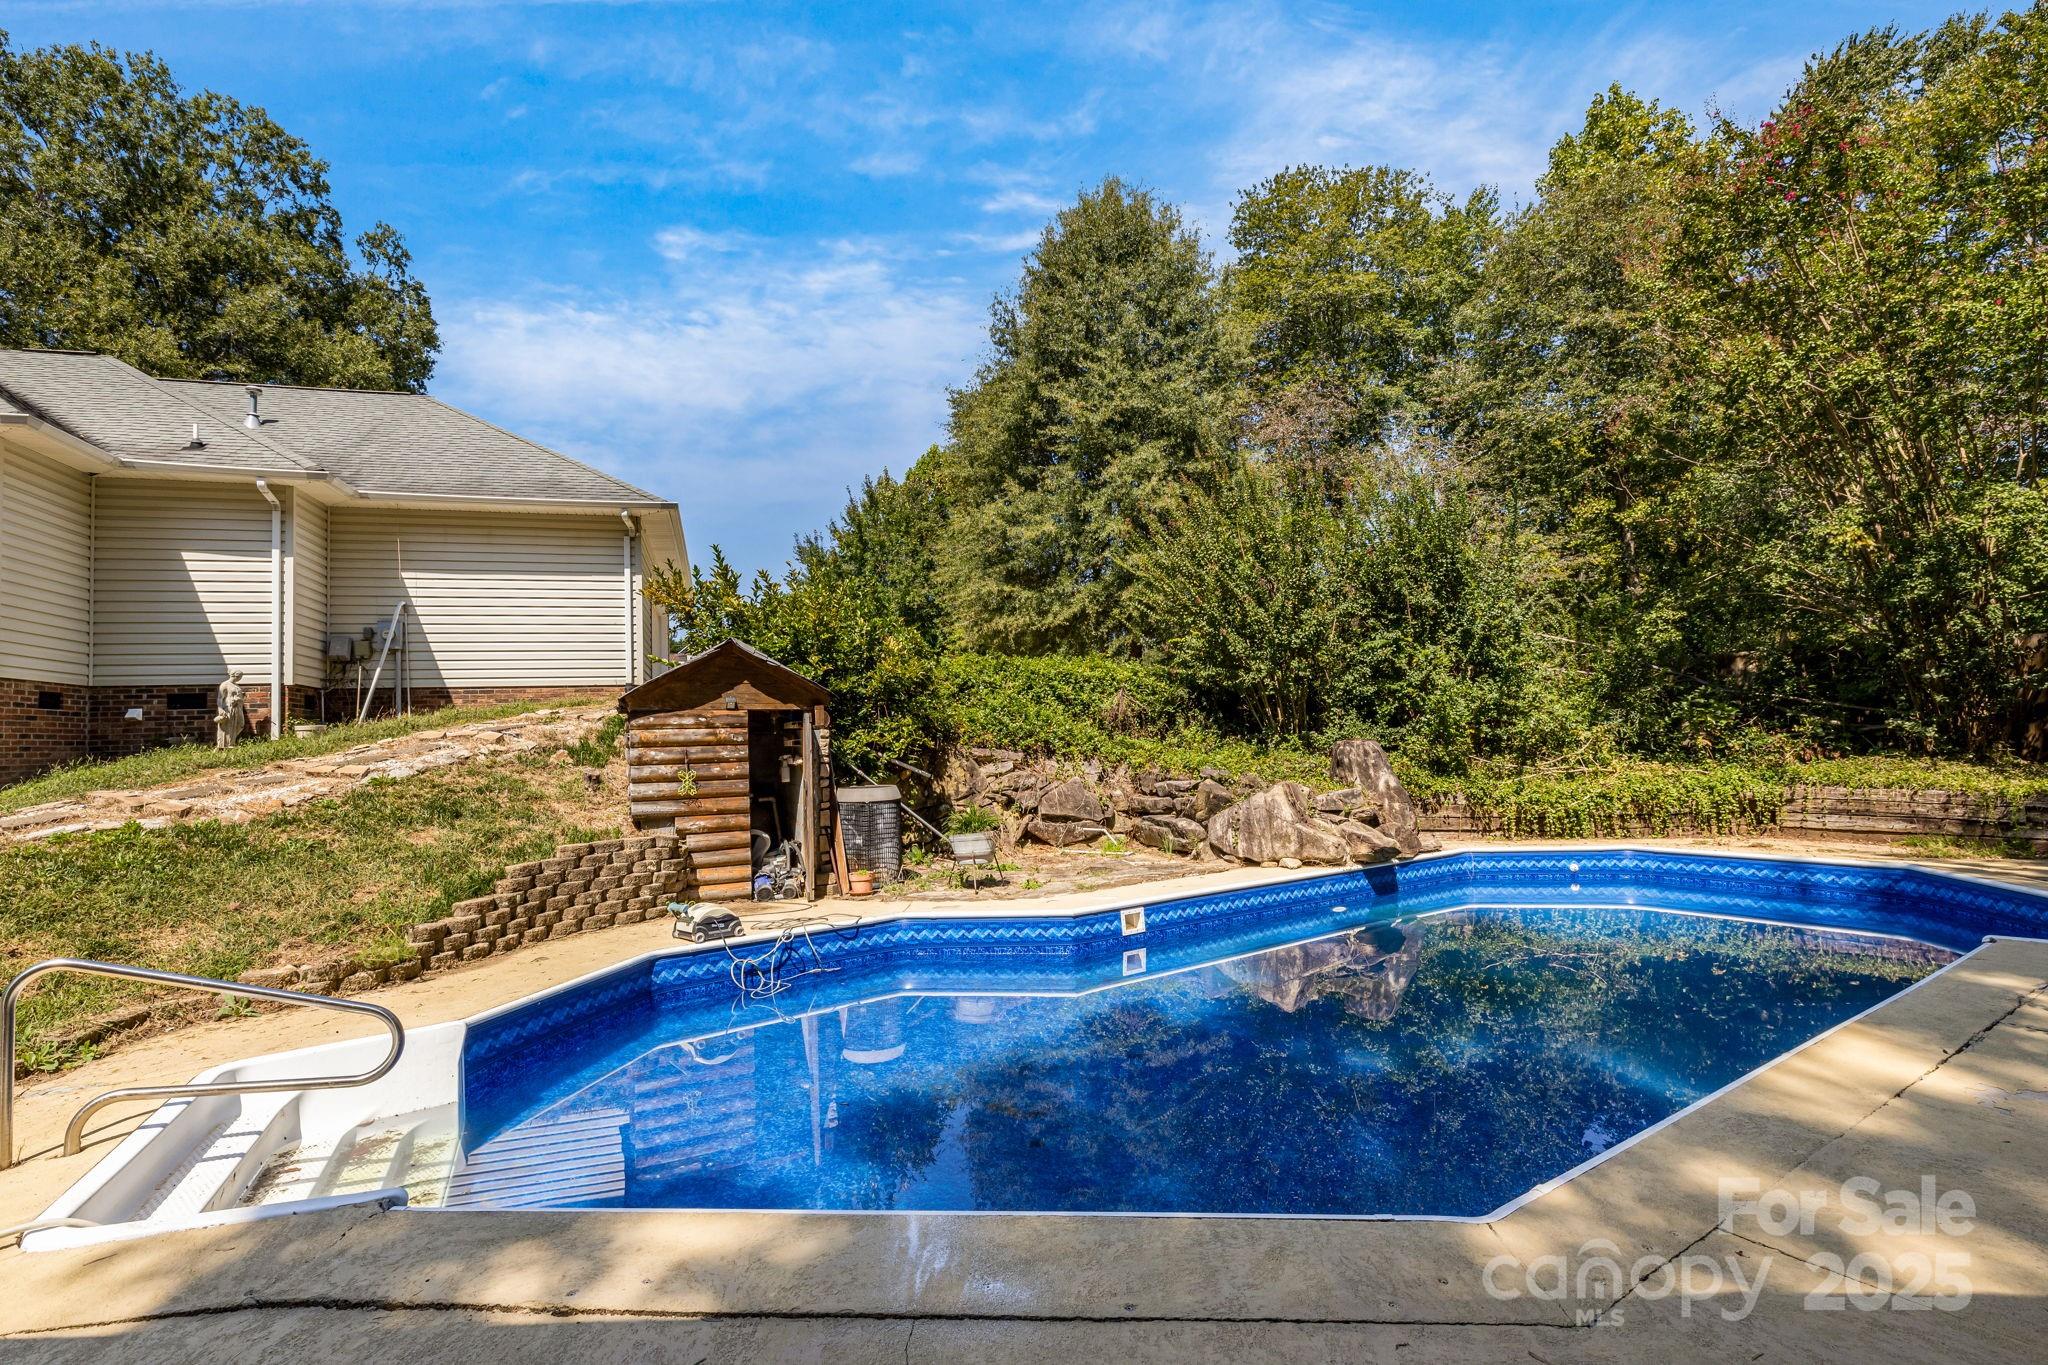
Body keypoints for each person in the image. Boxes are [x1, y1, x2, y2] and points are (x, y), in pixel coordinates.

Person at [215, 670, 248, 750]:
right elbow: (220, 698)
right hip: (229, 708)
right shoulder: (225, 684)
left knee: (240, 724)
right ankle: (227, 744)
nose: (240, 678)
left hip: (237, 708)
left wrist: (241, 697)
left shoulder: (236, 685)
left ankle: (231, 741)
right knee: (229, 726)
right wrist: (220, 709)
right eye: (240, 676)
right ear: (235, 676)